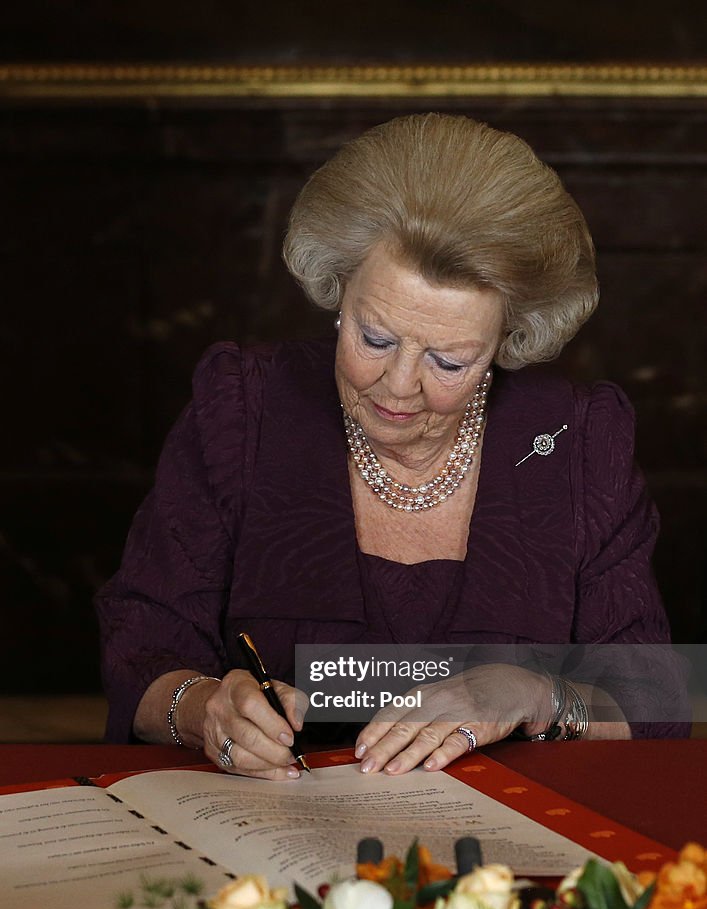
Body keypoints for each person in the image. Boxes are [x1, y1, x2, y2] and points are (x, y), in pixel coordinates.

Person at [96, 113, 690, 780]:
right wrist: (204, 706)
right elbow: (141, 647)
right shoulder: (243, 409)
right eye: (373, 338)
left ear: (507, 341)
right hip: (270, 843)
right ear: (337, 292)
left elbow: (658, 699)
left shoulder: (575, 440)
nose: (398, 386)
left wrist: (535, 695)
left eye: (449, 360)